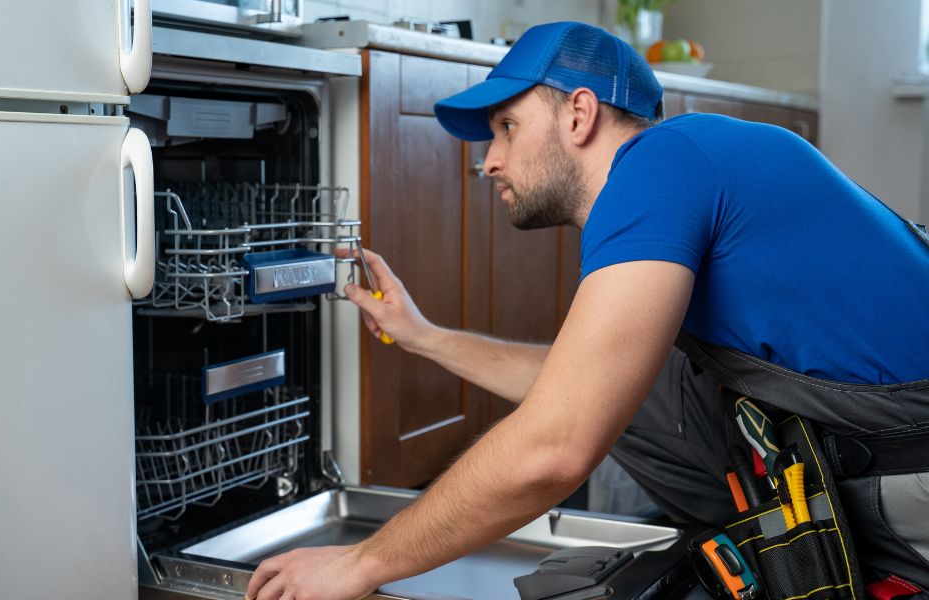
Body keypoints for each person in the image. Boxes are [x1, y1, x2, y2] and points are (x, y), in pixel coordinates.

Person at [246, 21, 929, 600]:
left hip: (911, 478)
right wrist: (420, 335)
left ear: (579, 113)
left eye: (507, 127)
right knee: (640, 388)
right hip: (869, 432)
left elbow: (555, 446)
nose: (489, 161)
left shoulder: (661, 164)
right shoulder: (690, 160)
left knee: (595, 415)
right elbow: (577, 385)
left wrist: (360, 563)